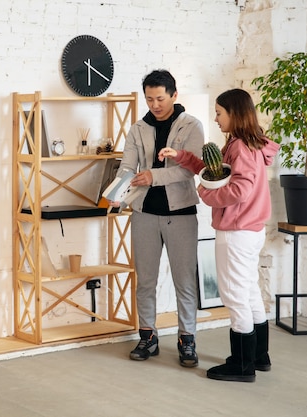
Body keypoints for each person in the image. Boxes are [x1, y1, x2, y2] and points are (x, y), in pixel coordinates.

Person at [159, 88, 280, 382]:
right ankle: (257, 357)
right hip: (249, 230)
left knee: (235, 295)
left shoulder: (240, 147)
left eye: (219, 112)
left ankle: (241, 366)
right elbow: (217, 172)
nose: (215, 118)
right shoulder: (248, 144)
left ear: (234, 114)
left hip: (238, 230)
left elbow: (239, 189)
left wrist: (205, 195)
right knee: (249, 292)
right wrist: (184, 157)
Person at [107, 69, 203, 367]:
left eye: (160, 98)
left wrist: (152, 176)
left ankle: (187, 339)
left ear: (174, 95)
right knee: (145, 280)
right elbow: (127, 167)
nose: (154, 105)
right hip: (144, 213)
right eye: (149, 99)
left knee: (184, 280)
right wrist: (116, 191)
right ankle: (147, 336)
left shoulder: (191, 125)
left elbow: (189, 169)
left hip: (181, 213)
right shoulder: (138, 128)